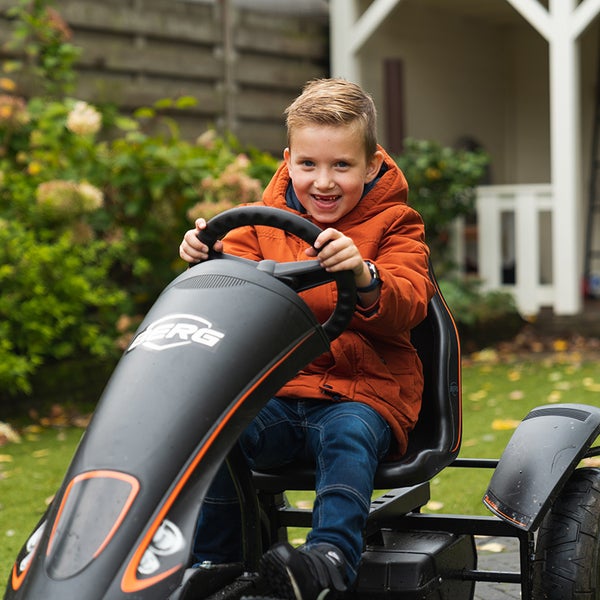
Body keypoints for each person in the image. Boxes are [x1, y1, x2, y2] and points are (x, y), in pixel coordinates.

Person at [179, 78, 434, 600]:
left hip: (362, 393)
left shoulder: (396, 225)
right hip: (279, 394)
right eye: (309, 165)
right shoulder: (252, 228)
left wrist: (364, 276)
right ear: (289, 159)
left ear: (369, 164)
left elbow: (410, 299)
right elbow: (228, 302)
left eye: (342, 166)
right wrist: (204, 260)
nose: (324, 181)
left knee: (348, 435)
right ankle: (219, 560)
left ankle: (327, 561)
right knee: (215, 431)